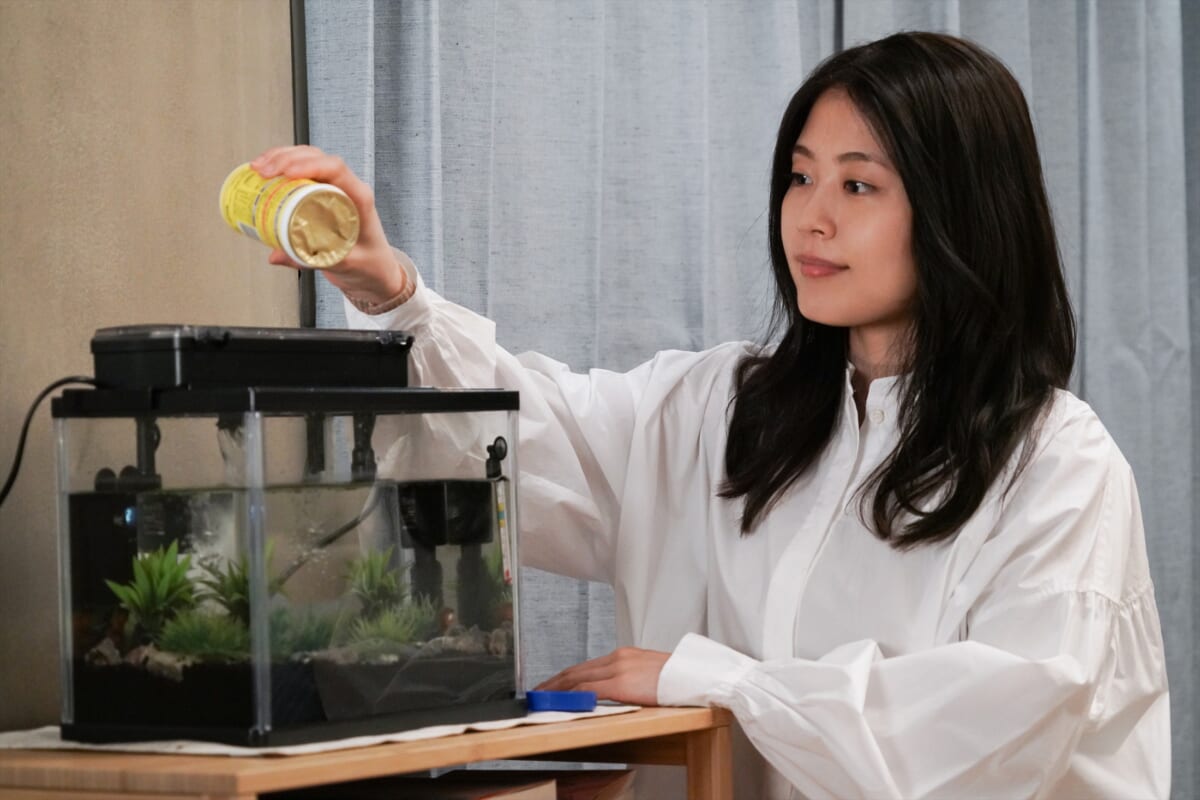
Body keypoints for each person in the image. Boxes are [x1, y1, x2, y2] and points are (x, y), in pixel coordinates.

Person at [250, 31, 1169, 800]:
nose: (809, 218)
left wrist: (710, 680)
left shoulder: (1056, 465)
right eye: (800, 176)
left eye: (857, 186)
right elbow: (520, 443)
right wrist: (392, 291)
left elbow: (981, 738)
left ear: (964, 212)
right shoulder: (722, 409)